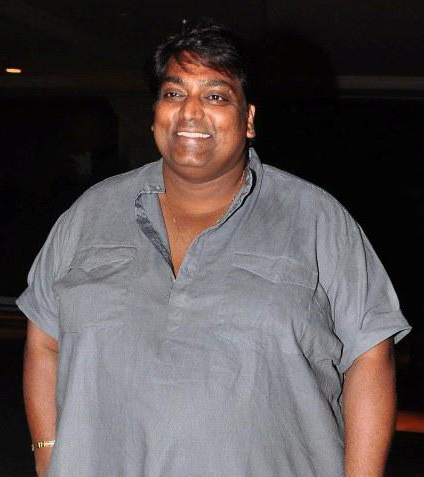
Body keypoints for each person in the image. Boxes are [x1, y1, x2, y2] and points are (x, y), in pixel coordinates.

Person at [18, 21, 411, 477]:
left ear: (249, 120)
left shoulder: (316, 218)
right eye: (174, 93)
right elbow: (43, 340)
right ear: (155, 114)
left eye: (216, 96)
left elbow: (370, 357)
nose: (190, 111)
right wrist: (48, 453)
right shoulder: (90, 214)